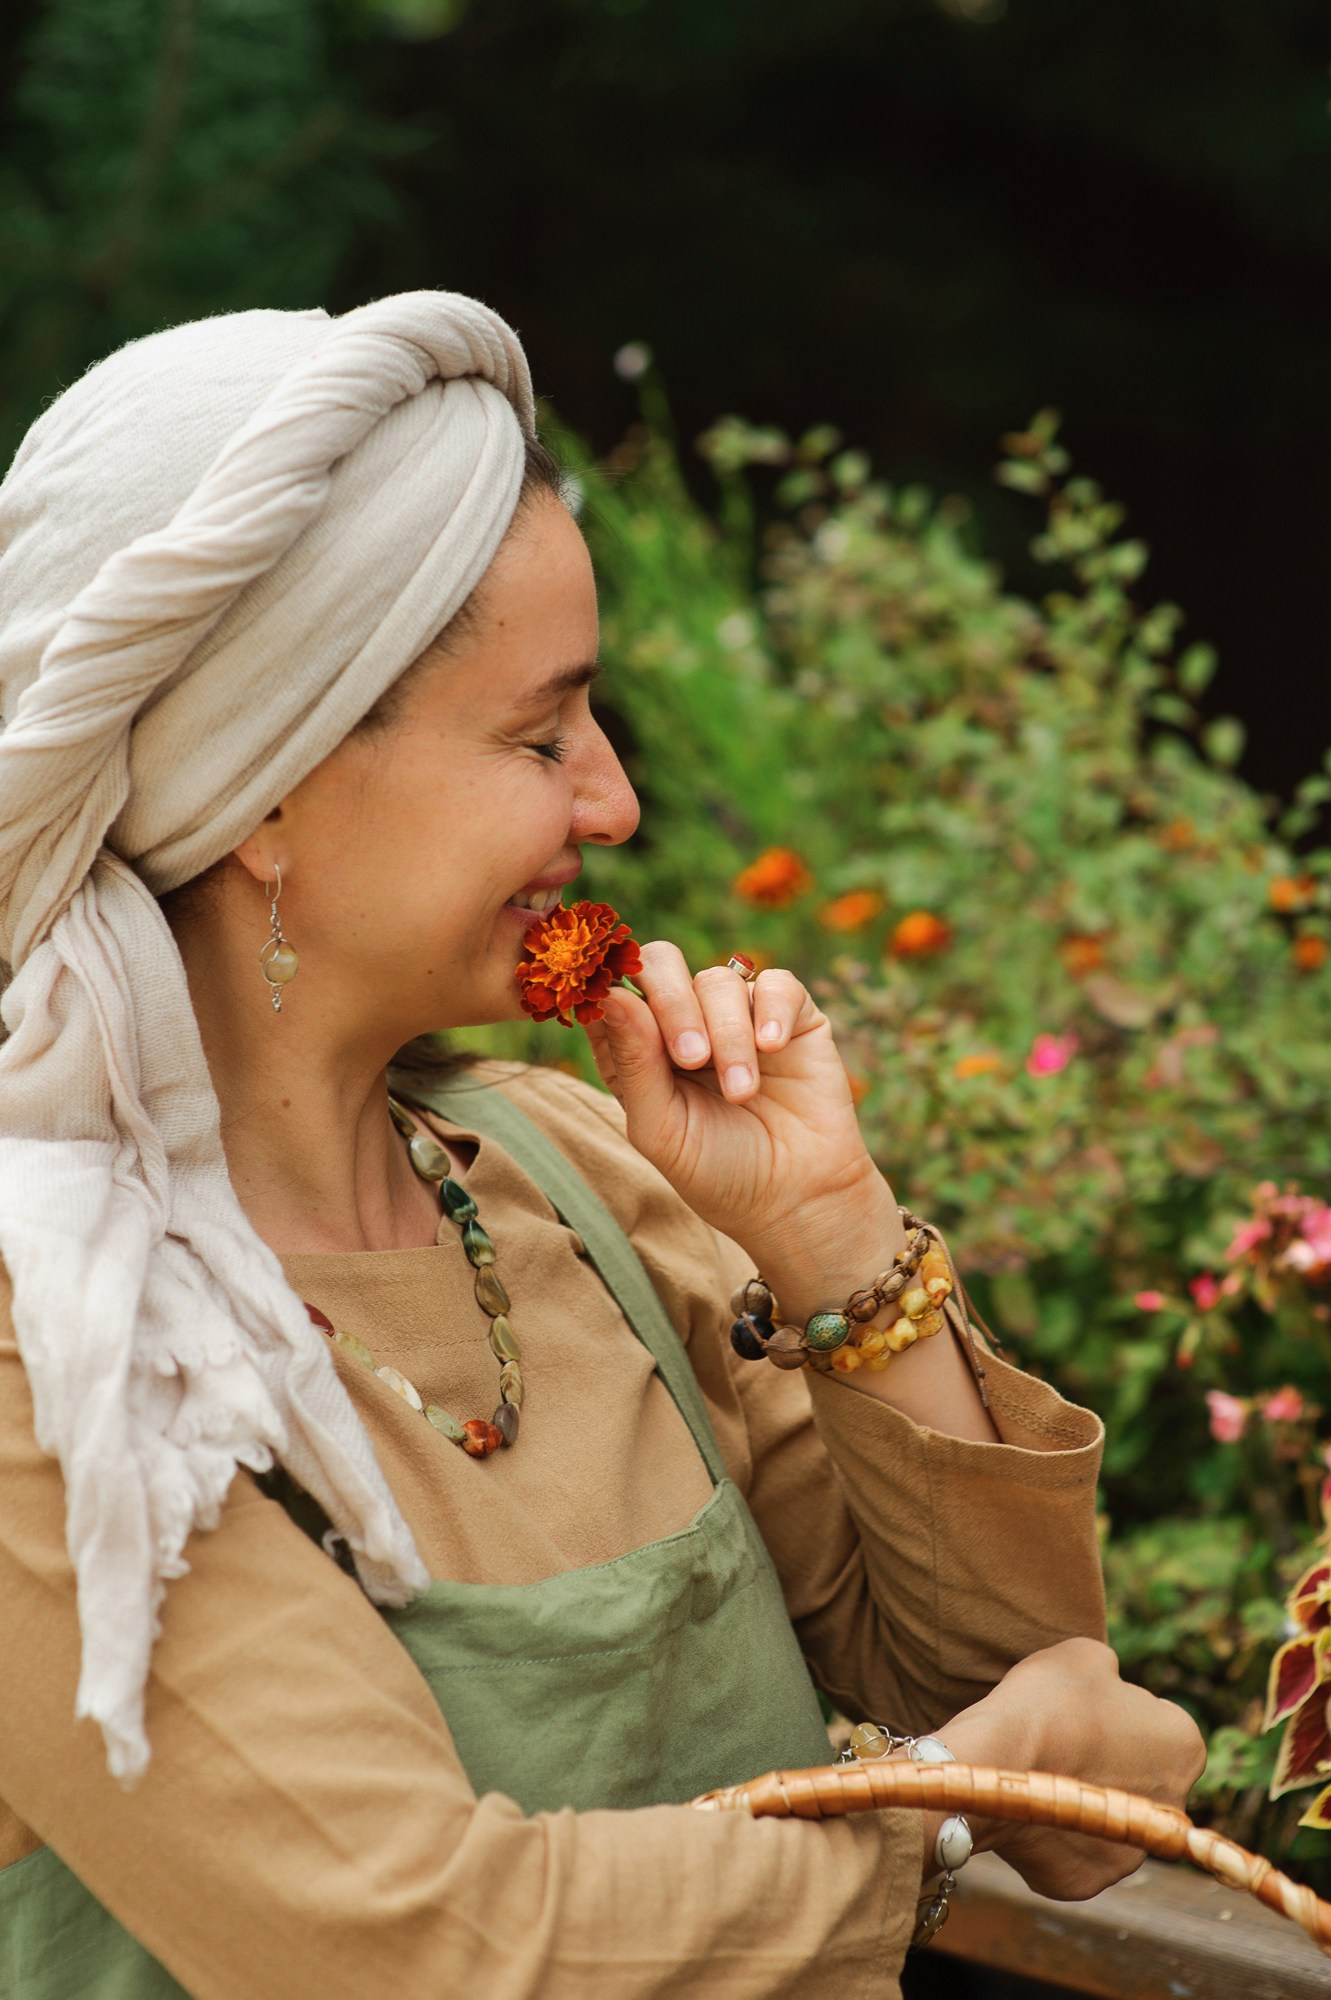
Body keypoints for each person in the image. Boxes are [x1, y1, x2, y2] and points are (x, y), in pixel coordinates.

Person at [0, 291, 1203, 2000]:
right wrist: (936, 1823)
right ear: (265, 783)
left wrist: (833, 1233)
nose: (616, 799)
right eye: (541, 732)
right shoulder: (57, 1340)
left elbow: (1013, 1695)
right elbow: (416, 1948)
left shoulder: (567, 1173)